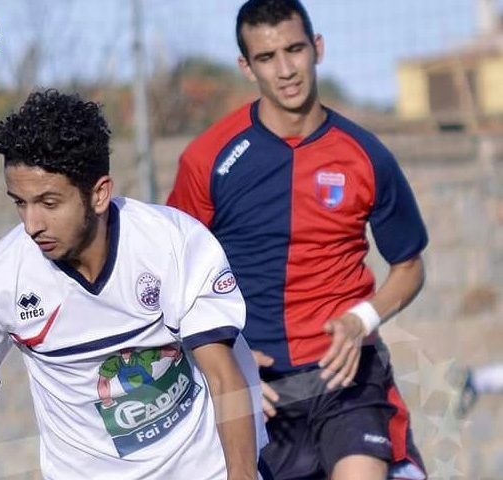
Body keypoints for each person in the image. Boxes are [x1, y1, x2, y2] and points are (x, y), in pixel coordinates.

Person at [0, 89, 268, 480]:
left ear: (99, 194)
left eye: (48, 203)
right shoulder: (2, 281)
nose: (31, 225)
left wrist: (242, 475)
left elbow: (222, 374)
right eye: (20, 203)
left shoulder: (172, 245)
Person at [167, 1, 429, 478]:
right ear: (246, 67)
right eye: (267, 57)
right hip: (256, 389)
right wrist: (229, 360)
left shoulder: (366, 155)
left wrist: (360, 319)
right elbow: (168, 277)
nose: (286, 70)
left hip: (347, 378)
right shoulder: (208, 159)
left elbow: (410, 266)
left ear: (317, 49)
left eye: (294, 50)